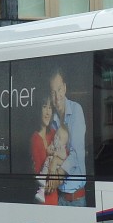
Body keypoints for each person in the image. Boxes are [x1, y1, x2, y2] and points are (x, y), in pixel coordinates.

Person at [46, 68, 87, 206]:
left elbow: (76, 154)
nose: (57, 97)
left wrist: (56, 175)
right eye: (53, 92)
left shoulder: (76, 110)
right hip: (59, 198)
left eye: (59, 90)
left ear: (64, 88)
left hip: (76, 199)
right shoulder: (52, 120)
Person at [30, 100, 67, 205]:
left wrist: (57, 179)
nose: (48, 112)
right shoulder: (34, 139)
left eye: (50, 108)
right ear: (38, 109)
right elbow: (35, 174)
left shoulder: (55, 135)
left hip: (54, 198)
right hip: (41, 198)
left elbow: (67, 159)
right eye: (44, 106)